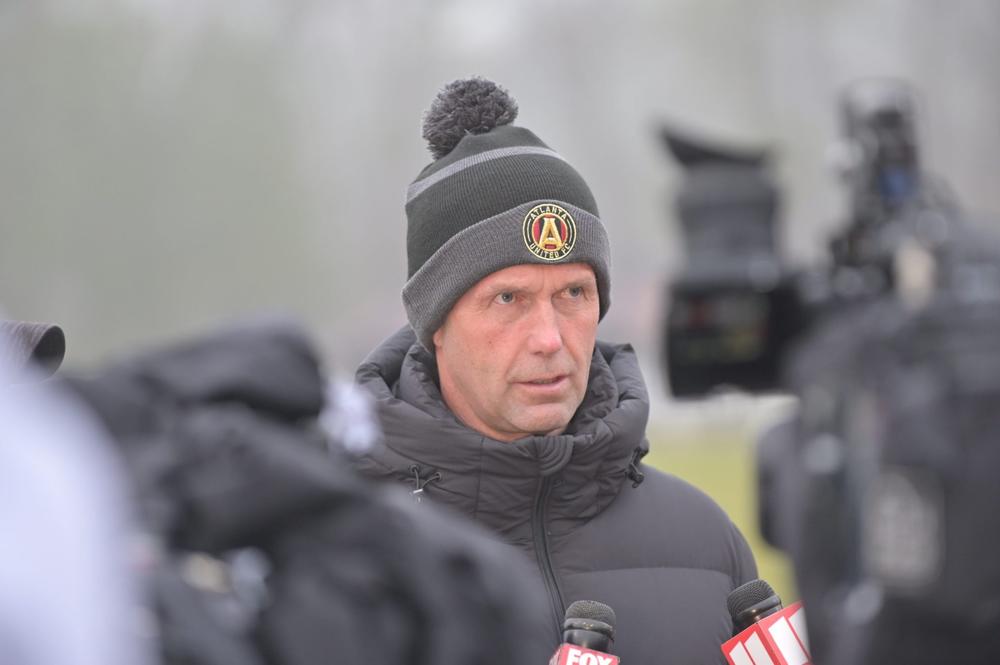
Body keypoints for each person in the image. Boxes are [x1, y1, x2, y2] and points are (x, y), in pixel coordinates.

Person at [355, 77, 758, 664]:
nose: (550, 339)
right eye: (508, 300)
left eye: (573, 292)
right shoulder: (343, 552)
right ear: (434, 323)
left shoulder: (705, 541)